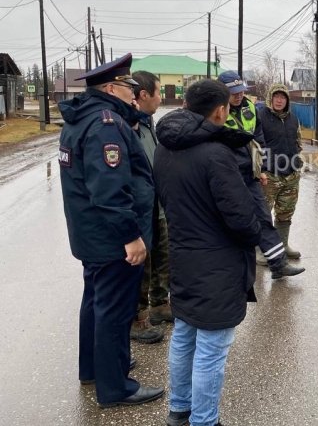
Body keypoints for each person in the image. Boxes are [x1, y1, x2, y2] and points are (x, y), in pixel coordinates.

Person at [58, 53, 164, 408]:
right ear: (110, 88)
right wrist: (131, 236)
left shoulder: (83, 117)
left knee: (96, 303)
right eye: (128, 87)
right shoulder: (106, 125)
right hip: (112, 239)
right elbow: (109, 189)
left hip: (92, 235)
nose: (134, 93)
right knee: (114, 310)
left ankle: (96, 367)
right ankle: (116, 386)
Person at [153, 79, 262, 426]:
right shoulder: (216, 154)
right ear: (220, 110)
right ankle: (204, 420)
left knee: (184, 336)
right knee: (212, 349)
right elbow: (242, 218)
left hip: (184, 256)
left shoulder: (164, 147)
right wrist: (257, 230)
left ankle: (180, 409)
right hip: (217, 265)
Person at [217, 70, 304, 279]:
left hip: (262, 173)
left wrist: (260, 168)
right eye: (234, 92)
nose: (239, 95)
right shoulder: (218, 110)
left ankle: (278, 260)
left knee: (269, 216)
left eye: (241, 91)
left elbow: (259, 141)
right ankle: (244, 262)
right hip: (231, 174)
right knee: (238, 219)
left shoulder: (250, 108)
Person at [128, 70, 169, 345]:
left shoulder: (148, 120)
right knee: (143, 264)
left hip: (158, 203)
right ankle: (138, 318)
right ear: (144, 95)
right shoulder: (128, 123)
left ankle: (160, 304)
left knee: (163, 254)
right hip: (140, 207)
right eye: (158, 92)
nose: (161, 97)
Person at [259, 82, 303, 259]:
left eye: (282, 97)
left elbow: (298, 141)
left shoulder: (293, 118)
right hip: (269, 174)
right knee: (263, 214)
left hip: (291, 174)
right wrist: (260, 168)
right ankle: (263, 250)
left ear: (287, 100)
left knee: (285, 212)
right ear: (270, 98)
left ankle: (282, 246)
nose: (279, 100)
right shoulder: (260, 117)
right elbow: (255, 144)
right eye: (276, 97)